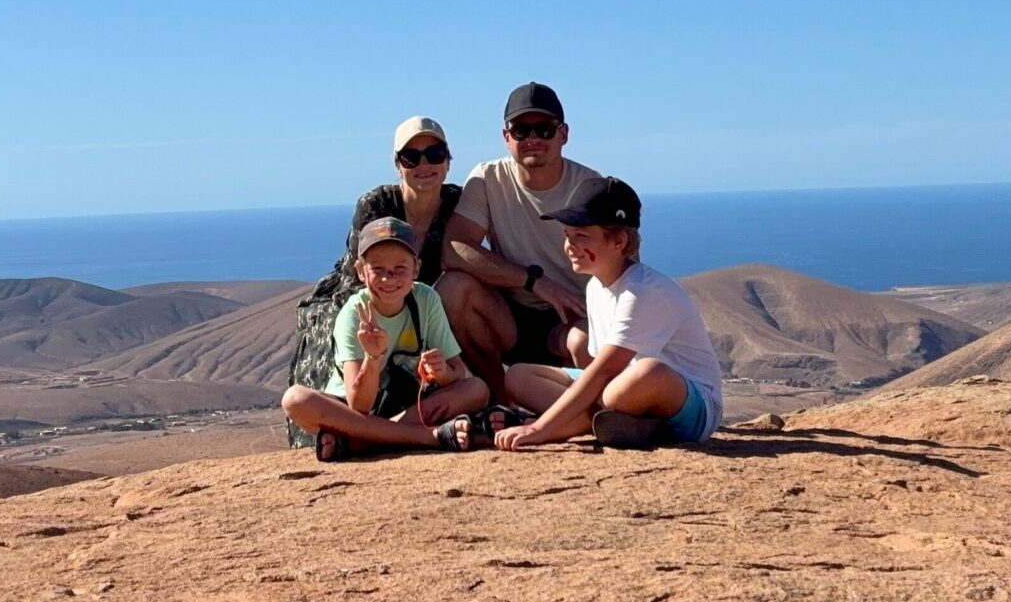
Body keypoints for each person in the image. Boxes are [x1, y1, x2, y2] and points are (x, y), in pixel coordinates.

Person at [285, 116, 487, 434]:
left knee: (474, 385)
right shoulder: (376, 205)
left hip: (422, 304)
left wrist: (443, 369)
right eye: (411, 156)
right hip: (365, 298)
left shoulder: (458, 203)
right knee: (328, 370)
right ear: (398, 164)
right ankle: (405, 432)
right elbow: (357, 278)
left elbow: (475, 254)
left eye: (435, 154)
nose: (424, 164)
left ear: (448, 162)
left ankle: (369, 432)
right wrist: (374, 336)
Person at [494, 178, 726, 451]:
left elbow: (605, 369)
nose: (569, 246)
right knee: (518, 376)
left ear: (619, 240)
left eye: (581, 236)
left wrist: (539, 428)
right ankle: (621, 423)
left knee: (645, 373)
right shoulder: (596, 286)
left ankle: (579, 423)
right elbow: (595, 367)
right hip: (618, 389)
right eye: (567, 235)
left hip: (693, 409)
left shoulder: (641, 291)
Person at [279, 218, 494, 460]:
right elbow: (359, 406)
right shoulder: (353, 314)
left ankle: (364, 441)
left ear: (416, 268)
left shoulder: (426, 300)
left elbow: (458, 372)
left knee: (476, 389)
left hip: (405, 408)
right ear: (361, 271)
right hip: (352, 412)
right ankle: (428, 437)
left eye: (400, 268)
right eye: (378, 269)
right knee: (295, 400)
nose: (389, 278)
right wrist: (372, 358)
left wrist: (442, 372)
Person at [443, 83, 606, 384]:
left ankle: (590, 406)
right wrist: (534, 282)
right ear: (507, 137)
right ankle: (497, 398)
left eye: (544, 129)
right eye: (521, 130)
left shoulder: (591, 189)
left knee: (584, 343)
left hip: (573, 317)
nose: (533, 139)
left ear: (563, 134)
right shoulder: (488, 179)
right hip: (511, 315)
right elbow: (454, 249)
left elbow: (624, 268)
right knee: (453, 289)